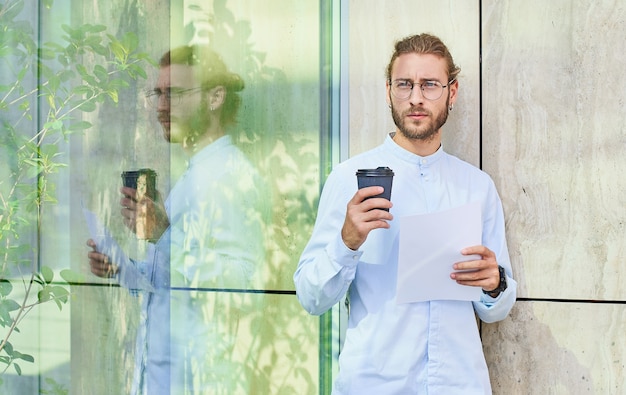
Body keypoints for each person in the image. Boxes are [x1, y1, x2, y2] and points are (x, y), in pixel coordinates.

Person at [294, 33, 517, 394]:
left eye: (429, 85)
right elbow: (311, 297)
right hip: (374, 386)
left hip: (459, 384)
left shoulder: (477, 187)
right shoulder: (349, 178)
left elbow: (495, 310)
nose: (415, 98)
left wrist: (495, 283)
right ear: (388, 91)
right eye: (404, 84)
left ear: (452, 92)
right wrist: (346, 242)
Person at [87, 45, 268, 394]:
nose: (161, 107)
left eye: (175, 94)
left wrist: (164, 234)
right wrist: (122, 268)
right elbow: (175, 281)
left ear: (216, 97)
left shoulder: (233, 177)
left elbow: (246, 286)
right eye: (158, 94)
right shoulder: (192, 176)